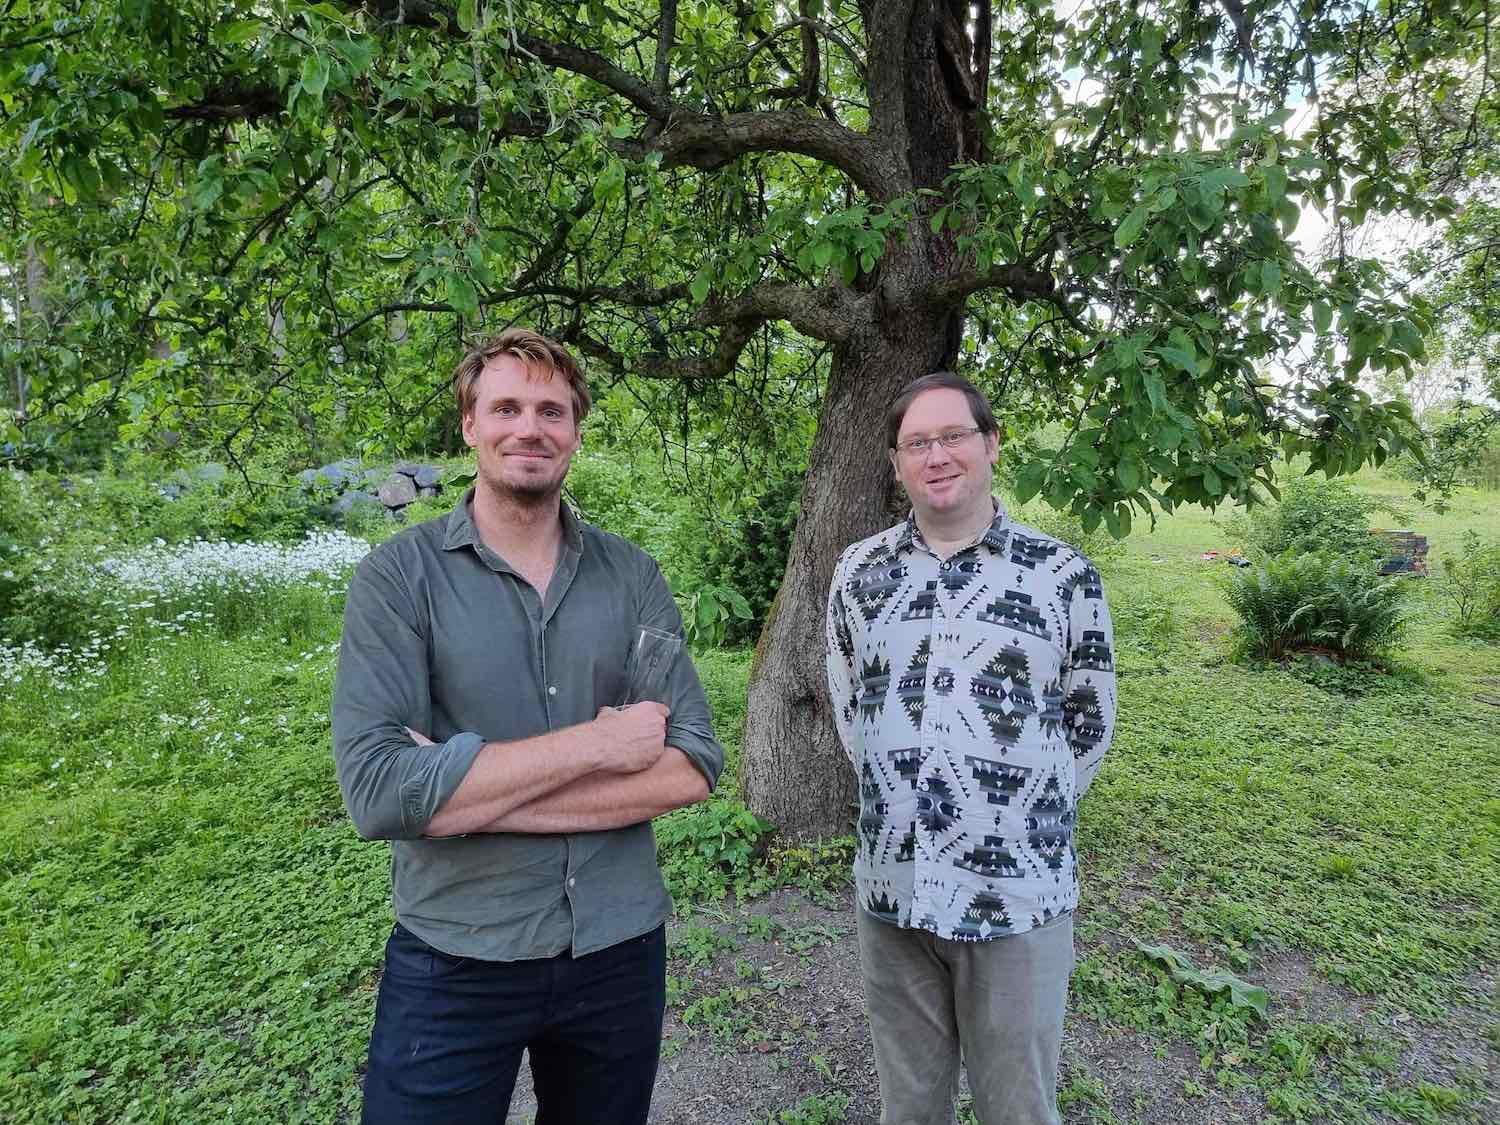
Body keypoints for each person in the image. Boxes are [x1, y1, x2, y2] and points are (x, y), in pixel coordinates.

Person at [332, 327, 723, 1125]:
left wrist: (458, 791)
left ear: (575, 429)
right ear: (470, 425)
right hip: (456, 948)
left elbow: (691, 764)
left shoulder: (632, 574)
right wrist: (599, 746)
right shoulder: (399, 577)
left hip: (616, 948)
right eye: (505, 406)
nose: (529, 427)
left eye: (551, 409)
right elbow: (376, 791)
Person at [824, 371, 1116, 1125]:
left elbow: (1089, 722)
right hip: (894, 892)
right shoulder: (859, 574)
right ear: (895, 463)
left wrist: (1006, 816)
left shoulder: (1062, 576)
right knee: (910, 1108)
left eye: (953, 435)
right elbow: (853, 707)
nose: (936, 455)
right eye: (916, 442)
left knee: (1017, 1109)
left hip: (1017, 895)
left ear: (990, 445)